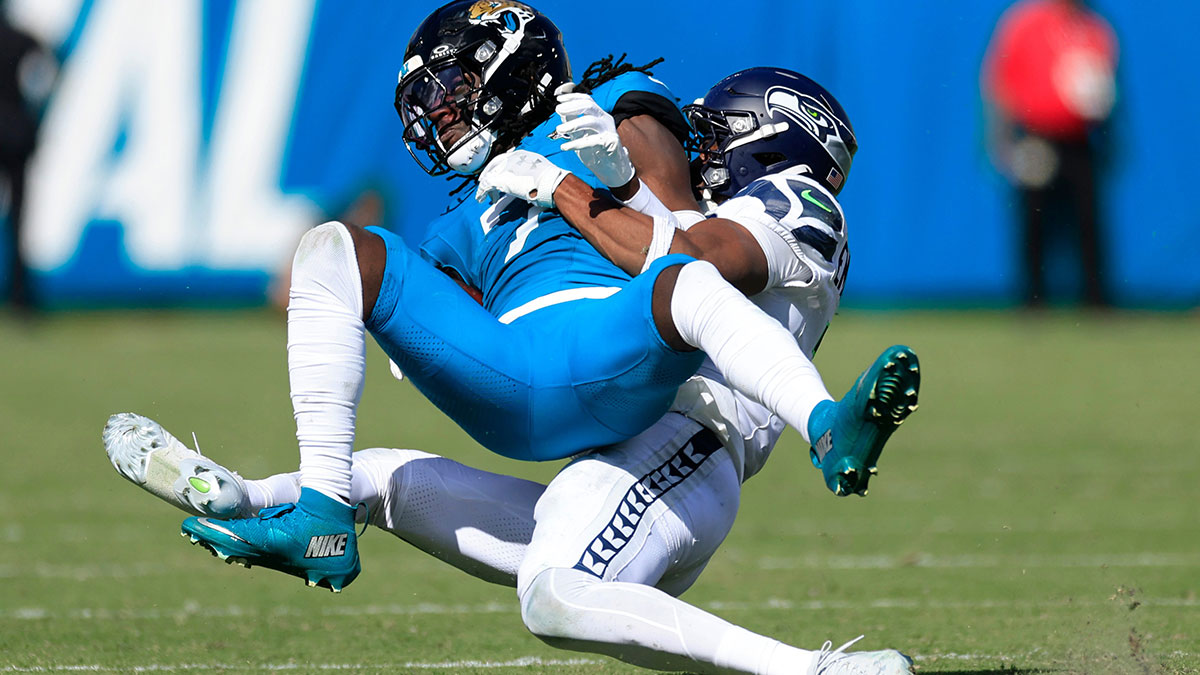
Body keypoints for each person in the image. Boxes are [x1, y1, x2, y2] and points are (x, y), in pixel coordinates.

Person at [104, 62, 918, 673]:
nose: (701, 141)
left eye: (716, 129)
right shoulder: (706, 206)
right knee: (379, 479)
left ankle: (819, 630)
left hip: (688, 445)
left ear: (768, 132)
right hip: (624, 439)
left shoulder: (797, 200)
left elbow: (694, 254)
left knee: (553, 593)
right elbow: (648, 248)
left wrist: (574, 188)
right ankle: (254, 496)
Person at [982, 0, 1118, 308]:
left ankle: (1097, 301)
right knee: (1034, 218)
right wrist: (1001, 140)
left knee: (1088, 220)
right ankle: (1033, 301)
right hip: (1036, 137)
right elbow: (1000, 81)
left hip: (1079, 139)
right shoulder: (1025, 22)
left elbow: (1105, 83)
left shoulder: (1095, 27)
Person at [0, 12, 54, 313]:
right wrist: (36, 113)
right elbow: (52, 69)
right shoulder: (21, 38)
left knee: (19, 219)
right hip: (16, 133)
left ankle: (19, 294)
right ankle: (19, 296)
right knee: (18, 220)